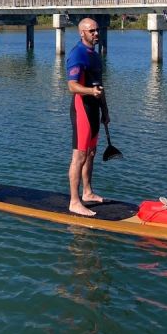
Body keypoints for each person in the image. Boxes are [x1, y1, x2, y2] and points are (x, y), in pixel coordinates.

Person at [65, 17, 110, 216]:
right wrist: (91, 93)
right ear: (82, 33)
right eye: (92, 31)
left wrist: (105, 111)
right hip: (82, 108)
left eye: (97, 30)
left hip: (94, 108)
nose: (96, 34)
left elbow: (99, 85)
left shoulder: (95, 55)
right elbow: (72, 86)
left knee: (91, 153)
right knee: (79, 156)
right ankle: (74, 202)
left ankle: (87, 192)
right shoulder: (78, 54)